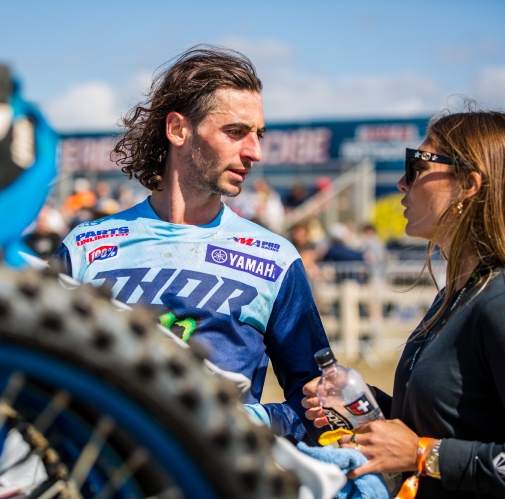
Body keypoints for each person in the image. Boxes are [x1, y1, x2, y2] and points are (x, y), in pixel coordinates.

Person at [51, 45, 329, 444]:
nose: (255, 152)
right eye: (235, 132)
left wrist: (249, 424)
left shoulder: (276, 259)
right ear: (178, 129)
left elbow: (320, 402)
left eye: (258, 134)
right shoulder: (84, 247)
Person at [302, 108, 505, 497]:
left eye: (416, 166)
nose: (403, 183)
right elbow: (452, 422)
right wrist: (357, 403)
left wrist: (423, 455)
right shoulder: (458, 294)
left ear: (468, 184)